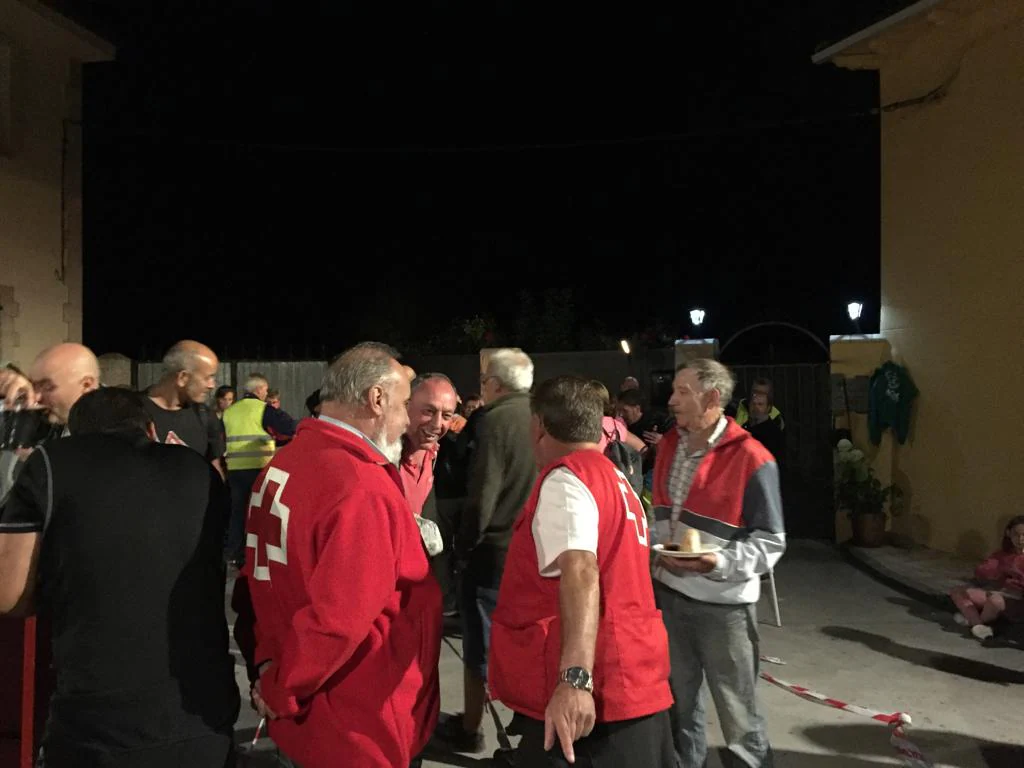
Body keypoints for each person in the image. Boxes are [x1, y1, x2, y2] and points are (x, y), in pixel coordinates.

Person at [0, 388, 239, 767]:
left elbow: (10, 595)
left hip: (99, 722)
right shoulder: (197, 470)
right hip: (203, 714)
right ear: (149, 428)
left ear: (75, 433)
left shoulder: (51, 463)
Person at [242, 342, 440, 768]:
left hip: (303, 696)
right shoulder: (359, 482)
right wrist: (283, 688)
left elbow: (259, 581)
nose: (407, 420)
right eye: (405, 405)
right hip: (354, 716)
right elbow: (338, 620)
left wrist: (271, 671)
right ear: (377, 398)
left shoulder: (285, 463)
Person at [489, 376, 675, 767]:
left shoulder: (566, 480)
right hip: (632, 681)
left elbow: (581, 570)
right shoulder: (617, 479)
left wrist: (574, 680)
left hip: (594, 697)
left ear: (539, 425)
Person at [652, 359, 785, 768]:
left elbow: (771, 541)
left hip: (725, 608)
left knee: (739, 718)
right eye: (673, 390)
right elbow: (659, 518)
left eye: (682, 392)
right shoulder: (670, 446)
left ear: (712, 398)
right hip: (669, 598)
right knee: (678, 710)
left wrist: (718, 562)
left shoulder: (752, 457)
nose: (672, 400)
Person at [437, 349, 537, 753]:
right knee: (527, 644)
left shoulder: (494, 421)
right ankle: (526, 728)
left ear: (493, 383)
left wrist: (463, 545)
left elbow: (483, 495)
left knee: (481, 645)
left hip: (493, 552)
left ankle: (472, 727)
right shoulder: (541, 415)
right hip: (533, 551)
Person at [222, 372, 298, 565]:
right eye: (265, 389)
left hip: (235, 469)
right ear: (258, 390)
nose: (266, 393)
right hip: (259, 468)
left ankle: (234, 552)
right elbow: (289, 427)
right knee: (264, 511)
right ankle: (263, 551)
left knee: (237, 512)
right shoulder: (263, 409)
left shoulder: (230, 411)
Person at [144, 341, 224, 463]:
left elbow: (214, 469)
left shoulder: (205, 416)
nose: (212, 385)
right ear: (182, 378)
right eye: (208, 377)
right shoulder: (132, 412)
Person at [950, 516, 1024, 640]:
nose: (1020, 539)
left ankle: (971, 620)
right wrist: (998, 569)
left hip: (1015, 600)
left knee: (995, 600)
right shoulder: (1002, 554)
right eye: (1016, 535)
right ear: (1008, 533)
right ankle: (978, 625)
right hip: (996, 592)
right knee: (958, 591)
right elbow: (981, 571)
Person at [0, 343, 100, 428]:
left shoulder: (111, 433)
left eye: (48, 387)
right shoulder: (35, 422)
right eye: (34, 386)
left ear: (86, 385)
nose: (36, 397)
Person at [401, 373, 458, 518]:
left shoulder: (436, 455)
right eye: (429, 411)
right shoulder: (383, 457)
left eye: (446, 416)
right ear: (406, 406)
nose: (437, 424)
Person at [741, 391, 784, 461]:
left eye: (760, 404)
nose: (755, 407)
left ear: (768, 408)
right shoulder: (745, 428)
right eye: (753, 404)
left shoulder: (773, 433)